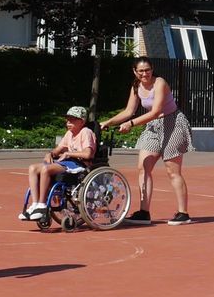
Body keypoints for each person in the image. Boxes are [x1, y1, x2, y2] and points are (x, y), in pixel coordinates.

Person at [101, 57, 192, 224]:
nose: (145, 74)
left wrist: (131, 124)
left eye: (147, 70)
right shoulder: (136, 86)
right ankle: (144, 213)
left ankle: (183, 213)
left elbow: (156, 111)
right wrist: (107, 122)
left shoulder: (160, 83)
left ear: (152, 69)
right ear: (135, 72)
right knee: (143, 167)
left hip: (173, 123)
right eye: (141, 71)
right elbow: (129, 111)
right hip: (153, 127)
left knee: (172, 171)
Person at [22, 107, 97, 228]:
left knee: (46, 169)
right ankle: (35, 204)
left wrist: (68, 153)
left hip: (80, 165)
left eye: (72, 120)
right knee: (33, 168)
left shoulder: (86, 132)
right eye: (67, 120)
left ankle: (42, 205)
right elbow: (57, 150)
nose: (68, 123)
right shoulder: (69, 134)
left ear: (82, 121)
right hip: (67, 162)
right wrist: (50, 154)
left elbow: (87, 154)